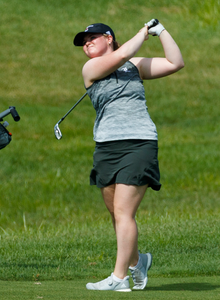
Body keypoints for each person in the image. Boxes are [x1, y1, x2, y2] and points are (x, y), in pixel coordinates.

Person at [72, 20, 184, 291]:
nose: (87, 43)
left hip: (139, 143)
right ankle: (138, 262)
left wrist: (161, 32)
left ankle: (119, 278)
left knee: (124, 212)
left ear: (108, 37)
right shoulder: (90, 68)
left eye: (92, 37)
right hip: (106, 146)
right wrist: (142, 33)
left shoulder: (133, 66)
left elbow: (175, 62)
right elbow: (121, 54)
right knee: (116, 214)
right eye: (84, 41)